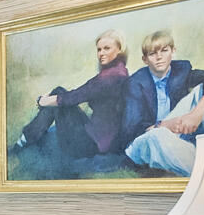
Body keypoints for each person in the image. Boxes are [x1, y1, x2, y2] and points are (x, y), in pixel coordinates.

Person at [121, 30, 204, 175]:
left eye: (164, 51)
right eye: (152, 54)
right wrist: (165, 125)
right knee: (157, 136)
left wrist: (196, 114)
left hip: (178, 133)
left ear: (173, 51)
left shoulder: (181, 70)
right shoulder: (135, 83)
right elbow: (131, 129)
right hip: (146, 138)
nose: (159, 57)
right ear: (145, 59)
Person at [9, 30, 131, 165]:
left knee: (58, 95)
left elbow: (74, 96)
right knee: (58, 97)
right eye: (99, 49)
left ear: (119, 49)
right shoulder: (120, 71)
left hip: (95, 145)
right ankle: (28, 138)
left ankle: (23, 141)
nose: (101, 53)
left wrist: (42, 101)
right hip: (104, 139)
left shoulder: (110, 77)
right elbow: (86, 94)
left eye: (107, 48)